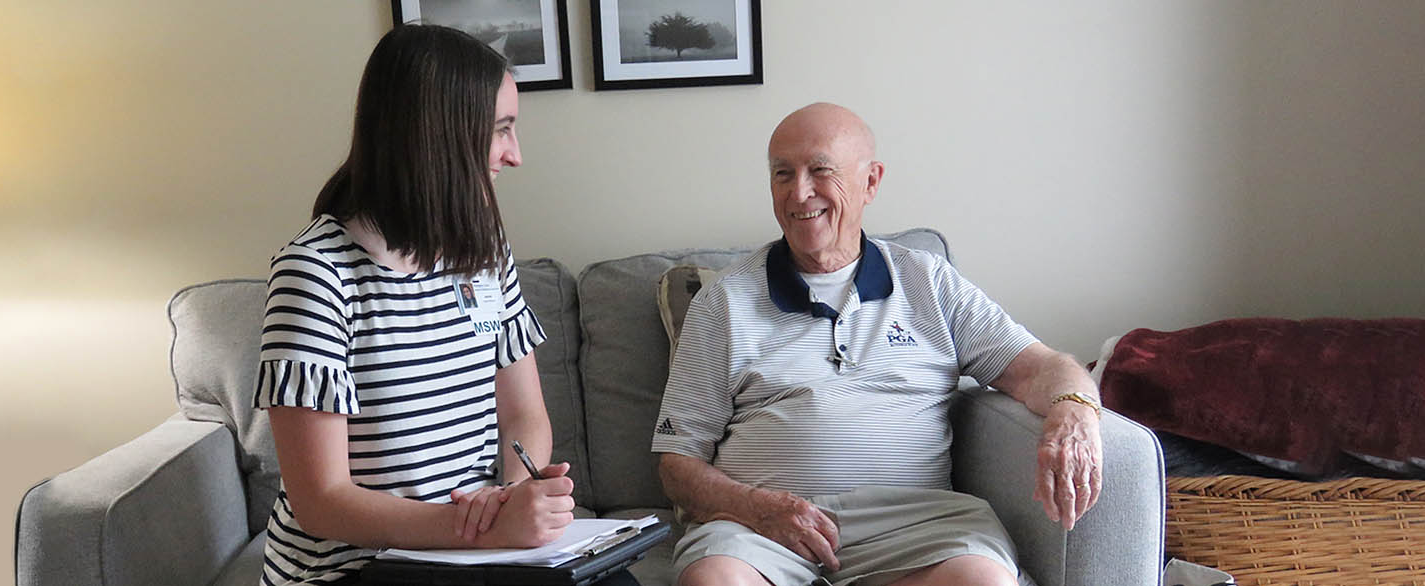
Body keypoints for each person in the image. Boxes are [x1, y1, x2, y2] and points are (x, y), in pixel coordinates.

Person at [652, 103, 1104, 586]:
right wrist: (759, 510)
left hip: (917, 525)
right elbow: (678, 464)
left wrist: (1074, 409)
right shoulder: (723, 301)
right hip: (760, 535)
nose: (799, 192)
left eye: (820, 171)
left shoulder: (927, 281)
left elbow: (1040, 368)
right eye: (783, 174)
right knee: (713, 581)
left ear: (871, 182)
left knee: (983, 580)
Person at [254, 25, 619, 586]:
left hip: (466, 556)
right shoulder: (316, 273)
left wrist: (511, 496)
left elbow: (525, 416)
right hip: (354, 568)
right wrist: (477, 528)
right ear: (439, 135)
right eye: (501, 130)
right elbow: (321, 502)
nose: (515, 156)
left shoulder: (484, 251)